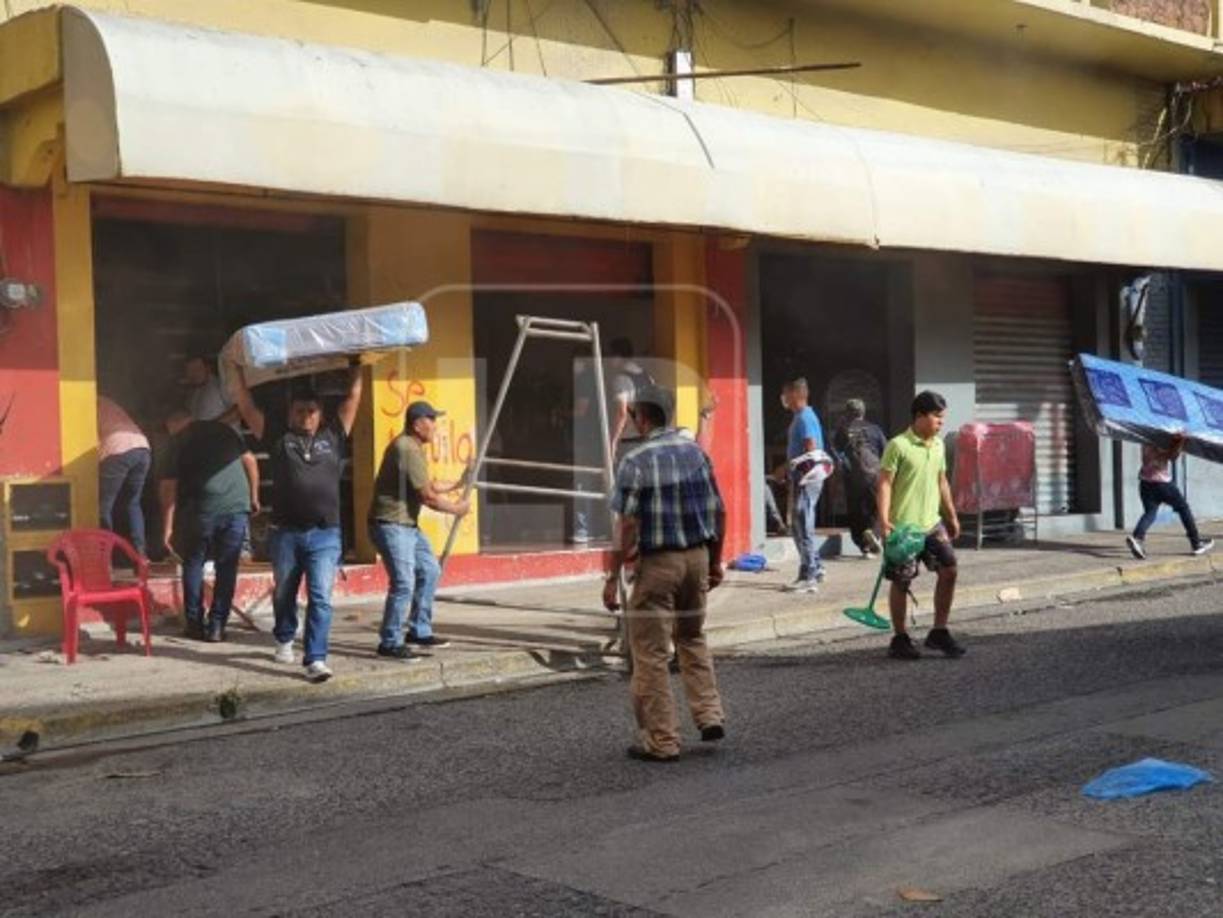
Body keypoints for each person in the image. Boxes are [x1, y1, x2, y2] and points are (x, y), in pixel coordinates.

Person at [603, 382, 726, 763]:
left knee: (652, 654)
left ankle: (662, 740)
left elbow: (625, 526)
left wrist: (611, 578)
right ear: (670, 414)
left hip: (658, 565)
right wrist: (716, 561)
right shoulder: (697, 455)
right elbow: (719, 512)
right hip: (697, 558)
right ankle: (709, 715)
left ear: (640, 418)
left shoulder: (635, 461)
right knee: (692, 636)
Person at [232, 363, 363, 683]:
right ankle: (285, 637)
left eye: (312, 410)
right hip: (286, 534)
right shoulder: (279, 438)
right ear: (290, 413)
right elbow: (246, 406)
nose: (306, 415)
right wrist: (236, 372)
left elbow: (354, 397)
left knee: (320, 595)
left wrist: (357, 365)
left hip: (325, 534)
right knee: (285, 593)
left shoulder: (333, 436)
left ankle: (316, 658)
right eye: (300, 410)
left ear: (320, 415)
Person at [369, 400, 470, 660]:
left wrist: (459, 483)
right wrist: (457, 508)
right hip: (391, 525)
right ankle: (389, 642)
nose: (435, 426)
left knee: (430, 569)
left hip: (408, 526)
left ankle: (419, 630)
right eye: (431, 420)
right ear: (417, 424)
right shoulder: (406, 448)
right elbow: (428, 497)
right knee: (403, 582)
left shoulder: (413, 447)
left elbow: (429, 485)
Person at [876, 390, 965, 661]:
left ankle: (939, 632)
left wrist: (951, 515)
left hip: (931, 524)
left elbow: (941, 481)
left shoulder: (937, 445)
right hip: (904, 528)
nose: (941, 423)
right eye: (937, 417)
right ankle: (900, 638)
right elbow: (884, 482)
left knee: (949, 570)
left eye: (942, 417)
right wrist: (884, 519)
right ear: (919, 416)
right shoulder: (898, 445)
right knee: (902, 581)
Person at [159, 411, 259, 642]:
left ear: (176, 422)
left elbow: (167, 490)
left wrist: (167, 528)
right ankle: (217, 626)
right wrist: (254, 496)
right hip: (236, 507)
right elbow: (251, 461)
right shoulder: (225, 431)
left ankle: (194, 624)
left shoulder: (177, 443)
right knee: (227, 567)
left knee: (194, 562)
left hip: (203, 511)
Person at [1126, 434, 1214, 559]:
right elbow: (1172, 456)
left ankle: (1137, 538)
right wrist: (1180, 442)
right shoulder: (1158, 437)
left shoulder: (1145, 436)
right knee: (1183, 508)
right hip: (1161, 483)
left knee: (1150, 512)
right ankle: (1196, 543)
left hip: (1145, 482)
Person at [782, 377, 827, 592]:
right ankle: (815, 567)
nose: (783, 399)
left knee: (803, 525)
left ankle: (809, 576)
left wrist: (797, 469)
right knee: (799, 525)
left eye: (786, 394)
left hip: (807, 478)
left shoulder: (804, 418)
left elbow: (811, 446)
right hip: (803, 478)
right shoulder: (801, 416)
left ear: (796, 394)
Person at [97, 396, 152, 556]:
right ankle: (141, 555)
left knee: (104, 506)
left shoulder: (87, 405)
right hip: (142, 448)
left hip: (116, 450)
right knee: (133, 503)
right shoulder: (109, 402)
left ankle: (104, 556)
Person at [832, 398, 887, 558]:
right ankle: (874, 535)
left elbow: (836, 453)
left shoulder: (843, 430)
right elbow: (885, 451)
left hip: (853, 477)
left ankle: (864, 547)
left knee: (856, 511)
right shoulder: (875, 429)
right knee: (877, 507)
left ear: (847, 413)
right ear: (863, 412)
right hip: (875, 474)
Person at [181, 353, 238, 425]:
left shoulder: (221, 385)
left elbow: (239, 410)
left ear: (207, 368)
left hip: (224, 435)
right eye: (190, 370)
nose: (194, 374)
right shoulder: (191, 394)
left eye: (197, 369)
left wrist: (213, 427)